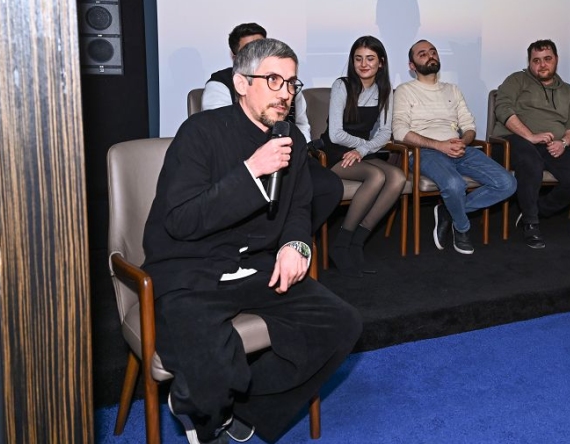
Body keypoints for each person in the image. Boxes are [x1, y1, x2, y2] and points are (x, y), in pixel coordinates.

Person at [143, 38, 362, 444]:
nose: (285, 93)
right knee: (208, 354)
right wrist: (251, 171)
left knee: (341, 323)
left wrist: (295, 244)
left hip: (256, 266)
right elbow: (180, 221)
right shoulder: (200, 132)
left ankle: (250, 407)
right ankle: (204, 412)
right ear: (242, 83)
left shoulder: (291, 138)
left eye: (291, 83)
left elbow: (299, 206)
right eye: (273, 80)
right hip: (192, 267)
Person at [202, 22, 343, 236]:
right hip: (242, 160)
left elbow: (301, 123)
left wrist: (302, 150)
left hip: (290, 155)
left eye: (263, 46)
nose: (260, 53)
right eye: (250, 49)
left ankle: (294, 237)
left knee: (329, 186)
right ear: (236, 57)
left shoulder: (288, 87)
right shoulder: (219, 86)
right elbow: (221, 130)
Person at [392, 39, 516, 255]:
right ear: (412, 66)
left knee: (507, 183)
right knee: (454, 184)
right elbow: (399, 131)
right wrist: (439, 145)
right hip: (425, 152)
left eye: (433, 52)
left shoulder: (452, 89)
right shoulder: (405, 91)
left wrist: (463, 141)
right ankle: (462, 227)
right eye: (422, 54)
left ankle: (448, 211)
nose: (430, 56)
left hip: (459, 148)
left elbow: (469, 126)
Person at [492, 39, 570, 249]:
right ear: (529, 62)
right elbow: (502, 109)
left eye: (547, 59)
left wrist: (564, 142)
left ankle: (536, 210)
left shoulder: (568, 90)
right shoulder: (516, 80)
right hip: (513, 140)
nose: (542, 64)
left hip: (552, 144)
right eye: (536, 60)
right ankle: (531, 223)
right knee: (531, 162)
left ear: (556, 59)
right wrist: (529, 136)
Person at [319, 36, 406, 276]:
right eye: (358, 59)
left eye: (370, 58)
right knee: (377, 176)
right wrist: (362, 147)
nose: (364, 64)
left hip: (362, 151)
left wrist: (362, 150)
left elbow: (385, 133)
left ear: (381, 62)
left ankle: (357, 242)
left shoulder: (385, 91)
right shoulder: (342, 85)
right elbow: (336, 134)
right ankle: (340, 245)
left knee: (398, 177)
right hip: (335, 151)